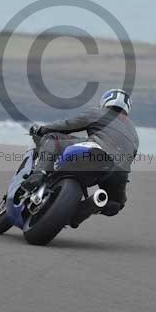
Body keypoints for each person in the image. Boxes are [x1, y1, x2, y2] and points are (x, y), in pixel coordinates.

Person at [24, 88, 139, 225]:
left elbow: (67, 125)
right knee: (115, 203)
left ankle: (38, 175)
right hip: (120, 171)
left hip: (96, 153)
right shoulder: (134, 132)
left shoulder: (99, 112)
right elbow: (131, 156)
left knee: (52, 139)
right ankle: (88, 207)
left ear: (106, 101)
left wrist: (42, 129)